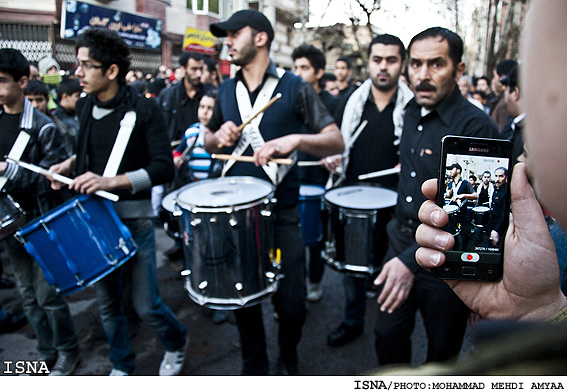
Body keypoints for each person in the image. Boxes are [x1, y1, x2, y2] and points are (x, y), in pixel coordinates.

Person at [205, 9, 344, 375]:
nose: (228, 41)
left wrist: (297, 139)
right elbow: (207, 139)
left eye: (235, 33)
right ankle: (254, 366)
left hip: (281, 215)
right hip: (234, 216)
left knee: (292, 307)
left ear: (261, 37)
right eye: (226, 35)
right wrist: (216, 137)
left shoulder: (294, 87)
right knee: (243, 302)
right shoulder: (224, 89)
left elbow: (335, 139)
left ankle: (288, 354)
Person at [49, 28, 188, 376]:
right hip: (93, 218)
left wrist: (111, 181)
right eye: (76, 64)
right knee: (107, 305)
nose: (76, 73)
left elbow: (162, 168)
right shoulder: (84, 105)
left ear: (111, 71)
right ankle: (121, 365)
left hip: (134, 221)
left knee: (146, 305)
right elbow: (90, 153)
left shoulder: (145, 109)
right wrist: (67, 166)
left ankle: (176, 341)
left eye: (86, 65)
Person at [372, 27, 499, 367]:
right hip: (400, 241)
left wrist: (408, 263)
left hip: (448, 259)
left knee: (442, 355)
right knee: (386, 334)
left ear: (458, 70)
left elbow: (473, 218)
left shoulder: (476, 128)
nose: (422, 75)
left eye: (436, 64)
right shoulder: (411, 110)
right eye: (415, 64)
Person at [322, 34, 414, 347]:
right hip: (353, 197)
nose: (383, 67)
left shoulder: (414, 108)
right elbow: (334, 142)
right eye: (378, 59)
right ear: (370, 62)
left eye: (391, 60)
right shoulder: (352, 103)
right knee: (352, 268)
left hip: (396, 203)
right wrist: (331, 158)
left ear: (401, 64)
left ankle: (390, 325)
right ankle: (352, 321)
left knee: (392, 268)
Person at [0, 48, 79, 376]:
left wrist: (11, 171)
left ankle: (67, 351)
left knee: (48, 294)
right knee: (27, 295)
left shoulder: (44, 127)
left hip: (40, 219)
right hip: (8, 224)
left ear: (22, 82)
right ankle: (45, 350)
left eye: (2, 81)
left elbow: (54, 177)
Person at [291, 43, 341, 302]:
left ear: (319, 72)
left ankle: (315, 281)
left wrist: (334, 157)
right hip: (295, 178)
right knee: (290, 241)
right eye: (295, 67)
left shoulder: (333, 103)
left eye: (304, 68)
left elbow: (343, 142)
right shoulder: (291, 100)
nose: (298, 73)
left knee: (316, 240)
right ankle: (293, 287)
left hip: (323, 182)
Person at [499, 64, 525, 163]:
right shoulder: (512, 126)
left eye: (506, 90)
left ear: (515, 92)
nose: (506, 99)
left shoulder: (530, 133)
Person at [52, 78, 82, 155]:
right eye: (77, 96)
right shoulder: (56, 120)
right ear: (65, 96)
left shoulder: (78, 116)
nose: (80, 99)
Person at [490, 59, 517, 133]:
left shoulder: (506, 104)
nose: (493, 80)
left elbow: (502, 137)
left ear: (502, 77)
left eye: (494, 76)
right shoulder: (501, 101)